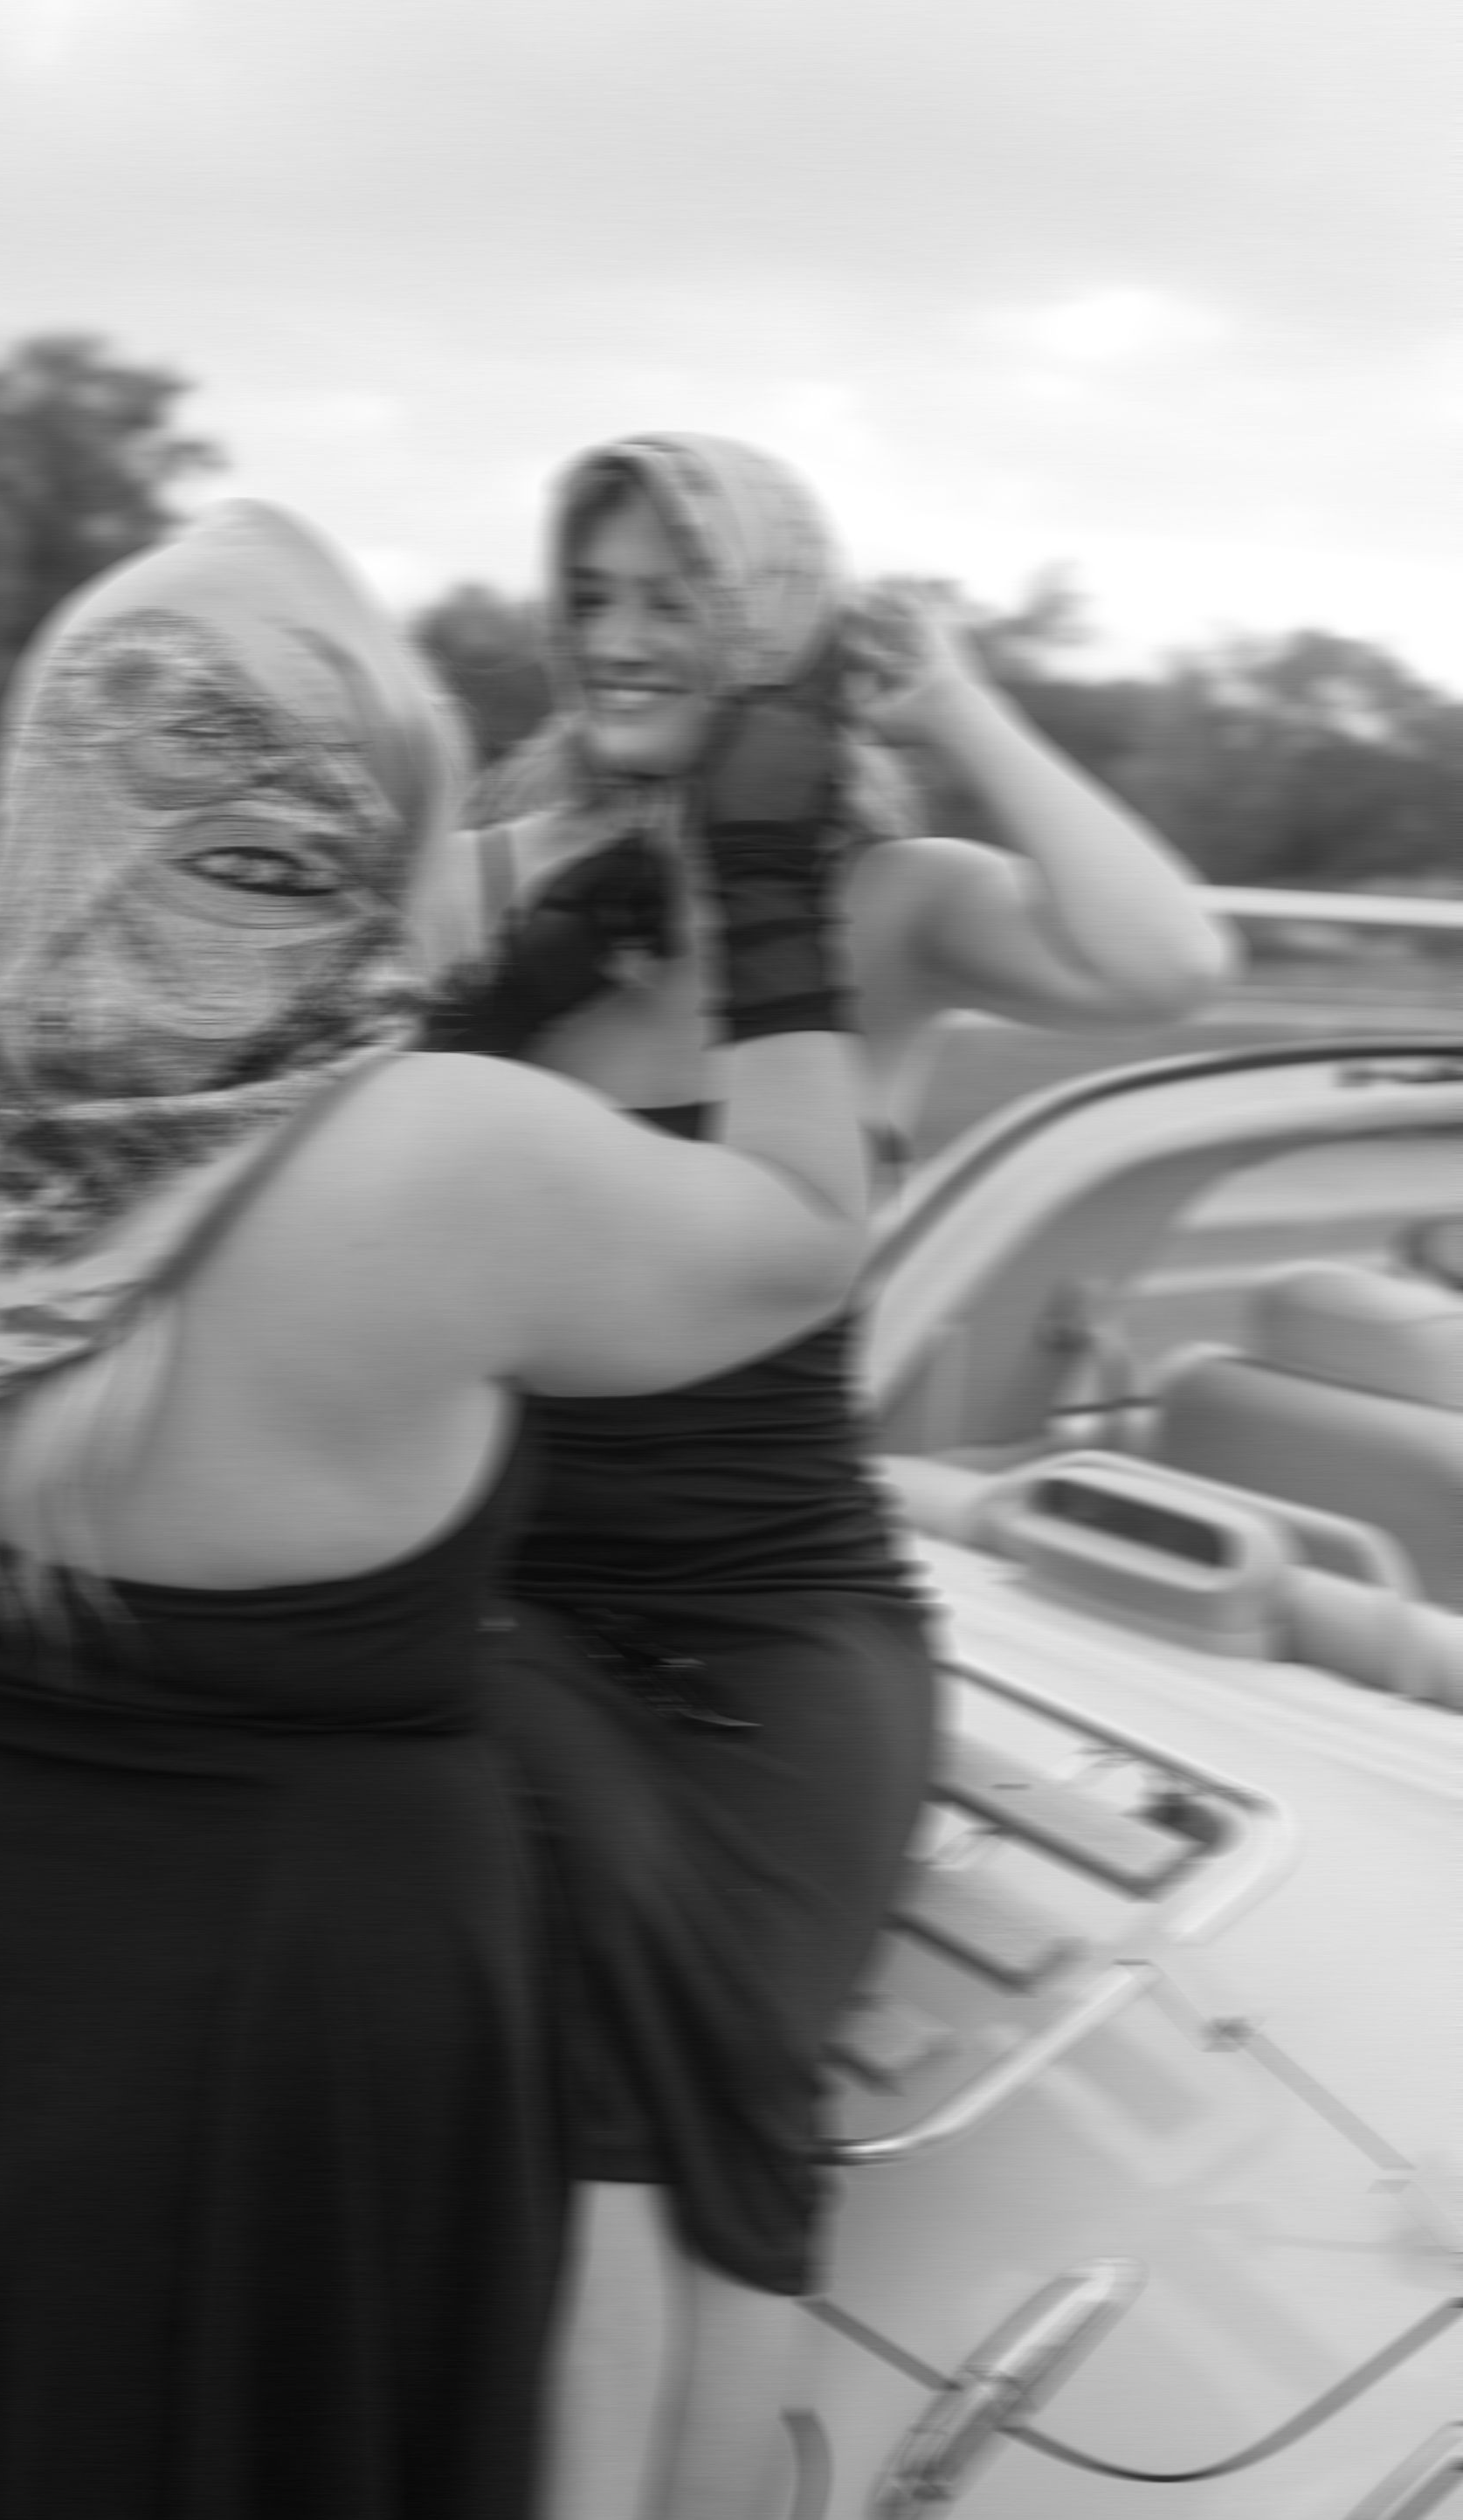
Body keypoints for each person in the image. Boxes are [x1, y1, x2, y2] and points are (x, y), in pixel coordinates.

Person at [0, 499, 873, 2520]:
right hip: (303, 2010)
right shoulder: (444, 1160)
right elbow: (806, 1237)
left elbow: (240, 1068)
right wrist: (775, 868)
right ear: (357, 803)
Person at [411, 431, 1233, 2520]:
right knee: (603, 2098)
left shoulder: (894, 907)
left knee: (729, 2105)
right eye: (587, 594)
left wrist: (950, 695)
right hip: (528, 1608)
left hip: (795, 1626)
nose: (613, 635)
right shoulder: (510, 871)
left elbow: (1172, 966)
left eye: (669, 592)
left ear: (770, 613)